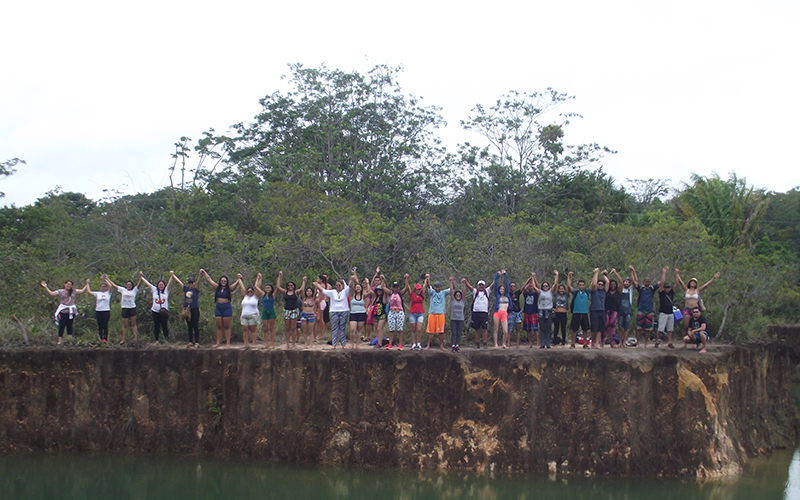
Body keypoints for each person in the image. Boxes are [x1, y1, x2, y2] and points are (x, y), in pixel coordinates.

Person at [199, 269, 242, 348]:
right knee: (219, 326)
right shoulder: (217, 288)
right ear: (220, 281)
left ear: (227, 282)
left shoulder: (229, 288)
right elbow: (209, 280)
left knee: (227, 326)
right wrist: (204, 272)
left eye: (225, 281)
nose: (223, 282)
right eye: (222, 281)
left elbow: (236, 284)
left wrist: (238, 278)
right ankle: (218, 343)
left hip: (227, 307)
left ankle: (227, 343)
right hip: (218, 307)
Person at [40, 278, 88, 345]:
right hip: (63, 311)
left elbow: (82, 291)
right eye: (68, 284)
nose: (69, 285)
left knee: (70, 325)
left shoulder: (73, 291)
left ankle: (69, 340)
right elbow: (51, 293)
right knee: (62, 325)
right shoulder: (60, 291)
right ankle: (59, 340)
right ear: (65, 284)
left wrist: (87, 284)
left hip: (71, 311)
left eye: (70, 284)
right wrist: (45, 287)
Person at [675, 269, 720, 335]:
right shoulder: (686, 290)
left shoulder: (697, 291)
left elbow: (706, 285)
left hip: (695, 309)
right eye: (691, 282)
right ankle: (685, 339)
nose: (693, 283)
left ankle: (695, 338)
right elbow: (681, 282)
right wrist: (677, 274)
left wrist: (713, 278)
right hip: (687, 308)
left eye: (694, 282)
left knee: (696, 325)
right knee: (686, 326)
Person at [140, 271, 174, 345]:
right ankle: (156, 341)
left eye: (162, 284)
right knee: (156, 327)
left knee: (165, 326)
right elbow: (148, 283)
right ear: (157, 285)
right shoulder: (154, 290)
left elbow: (170, 283)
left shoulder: (166, 291)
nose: (161, 286)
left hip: (164, 312)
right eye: (159, 284)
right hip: (155, 311)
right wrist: (141, 277)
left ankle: (166, 341)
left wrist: (172, 275)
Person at [105, 275, 142, 344]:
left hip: (132, 308)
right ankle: (123, 339)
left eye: (130, 285)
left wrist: (141, 278)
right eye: (127, 285)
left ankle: (135, 338)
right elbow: (114, 285)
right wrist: (107, 279)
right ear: (126, 285)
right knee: (125, 325)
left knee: (133, 324)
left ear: (132, 286)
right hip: (125, 308)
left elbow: (139, 285)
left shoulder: (134, 290)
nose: (129, 286)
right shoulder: (123, 290)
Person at [315, 277, 350, 348]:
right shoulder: (333, 292)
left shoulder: (345, 292)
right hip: (334, 311)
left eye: (339, 285)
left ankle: (343, 344)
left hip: (344, 311)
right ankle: (334, 344)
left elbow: (350, 286)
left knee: (342, 328)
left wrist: (353, 278)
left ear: (342, 285)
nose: (338, 286)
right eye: (336, 285)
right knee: (334, 328)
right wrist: (317, 285)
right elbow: (323, 291)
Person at [276, 271, 305, 349]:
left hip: (294, 310)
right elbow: (278, 286)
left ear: (294, 286)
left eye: (291, 285)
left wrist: (303, 281)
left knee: (293, 328)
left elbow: (302, 289)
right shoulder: (285, 292)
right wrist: (280, 277)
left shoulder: (296, 292)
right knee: (287, 328)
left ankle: (293, 344)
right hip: (287, 311)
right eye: (288, 285)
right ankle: (287, 344)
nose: (290, 286)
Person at [463, 276, 494, 348]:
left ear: (484, 286)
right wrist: (465, 282)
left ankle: (485, 343)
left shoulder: (487, 291)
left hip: (484, 313)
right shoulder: (475, 291)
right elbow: (470, 287)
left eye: (482, 285)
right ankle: (477, 343)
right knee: (476, 328)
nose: (481, 286)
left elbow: (492, 285)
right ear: (477, 286)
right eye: (480, 285)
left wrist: (497, 277)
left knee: (484, 329)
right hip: (475, 313)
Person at [630, 266, 657, 348]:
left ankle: (646, 343)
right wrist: (632, 271)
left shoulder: (652, 289)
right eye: (646, 281)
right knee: (638, 328)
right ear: (644, 282)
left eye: (648, 281)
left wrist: (664, 272)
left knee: (648, 329)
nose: (647, 282)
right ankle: (638, 343)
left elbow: (661, 283)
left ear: (650, 282)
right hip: (641, 310)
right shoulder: (641, 288)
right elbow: (634, 282)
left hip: (649, 310)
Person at [171, 273, 200, 348]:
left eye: (192, 282)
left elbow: (198, 282)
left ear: (193, 283)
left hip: (195, 308)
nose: (191, 284)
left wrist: (200, 274)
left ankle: (197, 342)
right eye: (190, 283)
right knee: (189, 326)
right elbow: (179, 282)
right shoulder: (186, 289)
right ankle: (190, 341)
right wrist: (173, 275)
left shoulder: (196, 290)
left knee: (195, 325)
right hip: (187, 309)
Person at [532, 270, 558, 349]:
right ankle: (542, 343)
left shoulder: (551, 292)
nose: (545, 287)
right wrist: (533, 277)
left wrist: (556, 275)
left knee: (548, 328)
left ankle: (548, 343)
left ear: (548, 287)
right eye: (544, 286)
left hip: (548, 311)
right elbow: (534, 287)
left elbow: (555, 284)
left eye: (546, 286)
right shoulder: (540, 292)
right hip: (541, 311)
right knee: (542, 328)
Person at [425, 276, 451, 350]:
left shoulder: (444, 293)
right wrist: (428, 279)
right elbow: (428, 286)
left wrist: (451, 282)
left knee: (441, 331)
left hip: (441, 314)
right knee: (429, 331)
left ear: (440, 287)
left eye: (438, 287)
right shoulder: (432, 292)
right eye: (436, 287)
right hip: (432, 313)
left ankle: (441, 346)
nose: (437, 288)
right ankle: (428, 345)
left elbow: (452, 289)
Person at [567, 272, 590, 349]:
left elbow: (593, 284)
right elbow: (569, 286)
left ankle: (585, 344)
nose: (581, 286)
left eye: (582, 285)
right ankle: (573, 344)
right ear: (578, 286)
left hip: (584, 313)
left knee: (585, 329)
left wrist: (596, 273)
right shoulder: (575, 292)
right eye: (580, 285)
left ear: (585, 286)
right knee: (574, 329)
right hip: (576, 313)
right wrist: (569, 276)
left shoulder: (587, 292)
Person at [612, 268, 635, 348]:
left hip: (628, 311)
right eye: (626, 281)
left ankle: (624, 342)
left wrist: (632, 271)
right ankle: (620, 342)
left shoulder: (630, 290)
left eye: (628, 282)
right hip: (620, 310)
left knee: (626, 328)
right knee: (620, 327)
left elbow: (634, 281)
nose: (627, 283)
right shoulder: (620, 290)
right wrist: (615, 273)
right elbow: (620, 283)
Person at [236, 276, 260, 347]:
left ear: (253, 292)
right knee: (245, 330)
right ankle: (245, 344)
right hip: (244, 315)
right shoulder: (245, 297)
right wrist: (239, 278)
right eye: (248, 291)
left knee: (253, 329)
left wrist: (258, 278)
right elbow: (242, 287)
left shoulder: (255, 297)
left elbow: (258, 286)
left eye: (251, 291)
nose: (249, 292)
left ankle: (253, 344)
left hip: (253, 315)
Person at [86, 277, 111, 343]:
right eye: (102, 286)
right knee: (100, 325)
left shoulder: (108, 293)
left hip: (106, 311)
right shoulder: (97, 293)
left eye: (104, 286)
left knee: (105, 325)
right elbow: (89, 291)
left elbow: (110, 286)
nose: (103, 288)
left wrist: (105, 279)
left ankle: (105, 338)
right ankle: (100, 337)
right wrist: (87, 284)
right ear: (100, 287)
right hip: (98, 311)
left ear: (106, 287)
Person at [406, 275, 428, 351]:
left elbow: (424, 286)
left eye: (419, 289)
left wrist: (426, 279)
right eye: (418, 289)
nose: (419, 291)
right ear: (415, 289)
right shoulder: (412, 294)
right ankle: (413, 343)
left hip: (420, 313)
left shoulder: (422, 294)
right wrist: (406, 279)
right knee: (413, 329)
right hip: (412, 313)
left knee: (419, 329)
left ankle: (419, 343)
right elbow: (407, 287)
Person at [254, 274, 276, 349]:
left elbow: (278, 287)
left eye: (269, 288)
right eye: (266, 288)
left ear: (271, 288)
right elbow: (256, 286)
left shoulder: (273, 295)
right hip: (264, 312)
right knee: (265, 328)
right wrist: (258, 278)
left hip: (271, 311)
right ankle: (266, 344)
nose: (267, 289)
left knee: (271, 328)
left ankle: (272, 344)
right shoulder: (263, 294)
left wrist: (280, 276)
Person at [348, 272, 368, 350]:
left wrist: (367, 283)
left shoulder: (363, 296)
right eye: (357, 287)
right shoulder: (352, 295)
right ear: (355, 288)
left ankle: (357, 345)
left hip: (361, 313)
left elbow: (369, 292)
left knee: (359, 330)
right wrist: (352, 279)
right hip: (353, 313)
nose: (358, 288)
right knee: (352, 329)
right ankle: (351, 344)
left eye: (359, 287)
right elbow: (350, 286)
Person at [656, 267, 675, 348]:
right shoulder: (662, 293)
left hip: (670, 312)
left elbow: (677, 284)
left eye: (668, 287)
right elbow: (662, 283)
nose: (667, 289)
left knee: (670, 329)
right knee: (660, 328)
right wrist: (664, 272)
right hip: (663, 312)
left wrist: (677, 274)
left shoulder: (671, 293)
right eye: (666, 287)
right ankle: (657, 341)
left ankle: (670, 342)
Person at [491, 270, 511, 349]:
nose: (502, 290)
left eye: (503, 289)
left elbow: (507, 285)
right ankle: (496, 344)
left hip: (504, 313)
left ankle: (503, 343)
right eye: (500, 289)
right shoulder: (498, 296)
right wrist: (497, 276)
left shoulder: (507, 296)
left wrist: (505, 275)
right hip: (497, 312)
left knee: (505, 331)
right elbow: (495, 285)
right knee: (496, 329)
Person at [386, 277, 405, 350]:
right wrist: (383, 280)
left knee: (400, 329)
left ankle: (400, 344)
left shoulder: (400, 293)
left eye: (397, 287)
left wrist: (406, 279)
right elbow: (383, 288)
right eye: (394, 287)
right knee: (391, 329)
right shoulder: (390, 293)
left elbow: (406, 288)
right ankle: (390, 344)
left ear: (398, 287)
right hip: (392, 312)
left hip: (399, 312)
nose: (395, 288)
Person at [298, 282, 319, 349]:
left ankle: (310, 344)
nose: (309, 292)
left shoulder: (313, 299)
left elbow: (315, 292)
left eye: (310, 291)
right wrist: (304, 282)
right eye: (307, 291)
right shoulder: (304, 298)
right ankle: (305, 343)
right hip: (304, 314)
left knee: (310, 331)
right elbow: (302, 290)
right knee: (305, 330)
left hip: (311, 314)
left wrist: (316, 285)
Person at [521, 274, 538, 348]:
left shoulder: (535, 294)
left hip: (533, 313)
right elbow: (524, 289)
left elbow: (537, 287)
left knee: (535, 328)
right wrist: (529, 280)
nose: (531, 287)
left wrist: (534, 279)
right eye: (530, 286)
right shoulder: (526, 294)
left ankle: (537, 343)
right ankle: (530, 343)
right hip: (526, 313)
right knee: (528, 329)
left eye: (532, 286)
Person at [604, 276, 621, 347]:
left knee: (612, 326)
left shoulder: (618, 292)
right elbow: (607, 282)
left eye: (614, 284)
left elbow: (621, 283)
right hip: (606, 310)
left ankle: (612, 342)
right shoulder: (606, 291)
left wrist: (616, 274)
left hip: (615, 311)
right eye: (611, 284)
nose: (612, 285)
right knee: (605, 326)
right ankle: (602, 342)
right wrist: (610, 274)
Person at [449, 282, 466, 353]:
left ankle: (457, 345)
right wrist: (451, 282)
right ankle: (453, 345)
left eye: (459, 295)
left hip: (461, 319)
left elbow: (464, 292)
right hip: (453, 319)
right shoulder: (453, 301)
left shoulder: (463, 301)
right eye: (457, 295)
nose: (458, 296)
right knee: (454, 333)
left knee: (459, 333)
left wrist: (464, 284)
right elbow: (451, 291)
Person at [508, 280, 523, 346]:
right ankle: (508, 344)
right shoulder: (508, 294)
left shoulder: (517, 293)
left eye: (514, 286)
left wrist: (530, 279)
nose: (512, 287)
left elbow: (523, 287)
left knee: (518, 329)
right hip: (511, 313)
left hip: (518, 313)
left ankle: (517, 345)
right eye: (511, 286)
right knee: (509, 329)